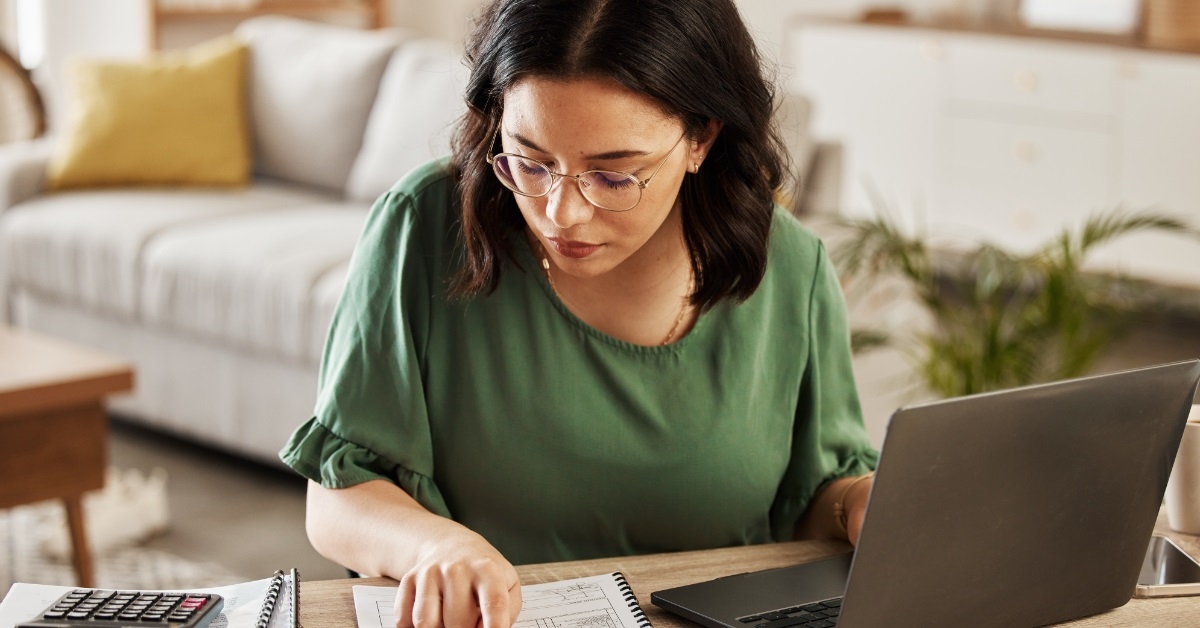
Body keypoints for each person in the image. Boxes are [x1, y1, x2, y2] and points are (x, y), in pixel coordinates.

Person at [279, 1, 878, 627]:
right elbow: (337, 496)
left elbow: (815, 500)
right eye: (530, 162)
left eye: (614, 177)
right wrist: (435, 545)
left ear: (702, 138)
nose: (561, 213)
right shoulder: (422, 227)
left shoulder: (792, 268)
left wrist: (859, 505)